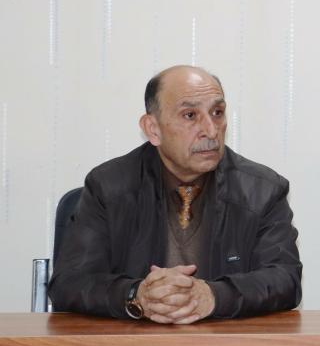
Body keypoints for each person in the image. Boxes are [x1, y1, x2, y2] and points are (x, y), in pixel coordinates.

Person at [49, 65, 301, 323]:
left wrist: (213, 296)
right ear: (153, 129)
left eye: (217, 112)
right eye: (190, 115)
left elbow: (285, 279)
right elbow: (69, 283)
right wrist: (137, 295)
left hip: (225, 342)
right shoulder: (108, 186)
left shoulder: (262, 190)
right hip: (133, 343)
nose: (211, 130)